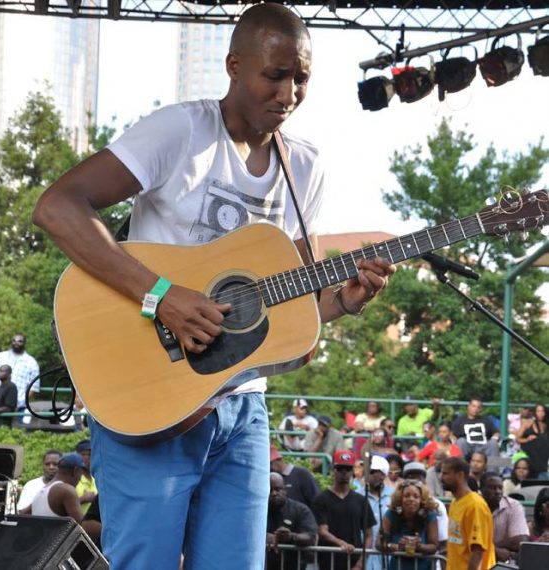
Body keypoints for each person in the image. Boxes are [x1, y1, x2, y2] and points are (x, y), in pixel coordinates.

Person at [32, 4, 396, 568]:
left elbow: (289, 308)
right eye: (274, 75)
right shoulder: (181, 131)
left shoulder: (306, 170)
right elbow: (57, 207)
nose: (289, 93)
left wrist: (341, 303)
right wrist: (161, 296)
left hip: (242, 409)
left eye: (301, 79)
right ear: (233, 65)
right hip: (151, 397)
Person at [312, 450, 376, 570]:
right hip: (328, 561)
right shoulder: (321, 499)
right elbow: (322, 531)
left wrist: (360, 564)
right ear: (333, 470)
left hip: (354, 561)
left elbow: (369, 535)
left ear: (352, 472)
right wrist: (341, 543)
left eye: (347, 469)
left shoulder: (361, 500)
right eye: (340, 469)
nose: (344, 473)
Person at [440, 456, 495, 570]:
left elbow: (477, 551)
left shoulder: (475, 505)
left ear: (460, 475)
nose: (441, 478)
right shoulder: (455, 502)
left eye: (446, 474)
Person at [377, 479, 439, 570]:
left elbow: (434, 546)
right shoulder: (391, 514)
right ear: (400, 498)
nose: (411, 499)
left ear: (421, 499)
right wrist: (396, 547)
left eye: (416, 496)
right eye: (407, 496)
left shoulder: (429, 515)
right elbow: (379, 543)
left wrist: (419, 546)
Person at [266, 472, 317, 570]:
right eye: (270, 490)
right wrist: (262, 537)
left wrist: (291, 536)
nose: (274, 493)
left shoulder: (300, 509)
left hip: (294, 565)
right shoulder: (259, 510)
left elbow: (311, 536)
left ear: (285, 490)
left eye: (278, 489)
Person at [480, 472, 529, 564]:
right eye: (492, 488)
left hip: (502, 563)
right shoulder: (473, 506)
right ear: (481, 490)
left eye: (500, 488)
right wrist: (494, 550)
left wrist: (487, 548)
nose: (498, 492)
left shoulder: (513, 506)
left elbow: (520, 540)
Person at [355, 455, 393, 570]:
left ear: (383, 475)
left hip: (386, 558)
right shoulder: (357, 495)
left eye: (371, 472)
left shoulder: (394, 497)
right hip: (360, 557)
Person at [402, 461, 449, 554]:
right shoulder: (396, 504)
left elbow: (443, 541)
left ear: (424, 481)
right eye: (411, 478)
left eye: (419, 478)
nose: (415, 482)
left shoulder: (437, 505)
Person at [0, 333, 40, 414]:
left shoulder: (32, 362)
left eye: (20, 341)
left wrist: (22, 402)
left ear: (24, 343)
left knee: (17, 426)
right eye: (14, 340)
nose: (16, 343)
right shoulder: (0, 357)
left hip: (19, 405)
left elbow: (34, 387)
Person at [25, 452, 85, 523]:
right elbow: (82, 526)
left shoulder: (43, 489)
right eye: (81, 473)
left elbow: (23, 513)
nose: (80, 478)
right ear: (76, 471)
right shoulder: (66, 490)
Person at [270, 445, 320, 509]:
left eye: (271, 463)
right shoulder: (270, 478)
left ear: (279, 459)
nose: (269, 467)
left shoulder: (302, 474)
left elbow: (316, 501)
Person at [516, 404, 549, 479]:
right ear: (535, 412)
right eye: (538, 411)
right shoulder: (528, 423)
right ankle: (541, 470)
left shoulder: (547, 424)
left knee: (543, 441)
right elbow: (518, 439)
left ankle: (542, 470)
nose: (541, 413)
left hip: (544, 450)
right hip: (530, 448)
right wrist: (527, 439)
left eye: (542, 411)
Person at [75, 439, 98, 515]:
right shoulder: (72, 479)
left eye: (91, 454)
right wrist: (83, 499)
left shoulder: (97, 478)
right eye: (86, 454)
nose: (89, 458)